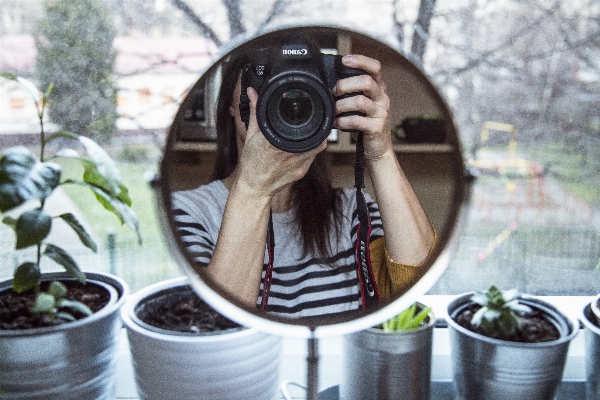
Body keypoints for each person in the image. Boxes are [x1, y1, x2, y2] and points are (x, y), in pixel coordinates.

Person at [172, 50, 437, 320]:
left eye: (301, 77)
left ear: (329, 95)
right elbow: (210, 331)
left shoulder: (351, 212)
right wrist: (253, 190)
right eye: (265, 73)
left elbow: (415, 293)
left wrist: (381, 154)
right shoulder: (189, 211)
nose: (286, 89)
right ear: (231, 102)